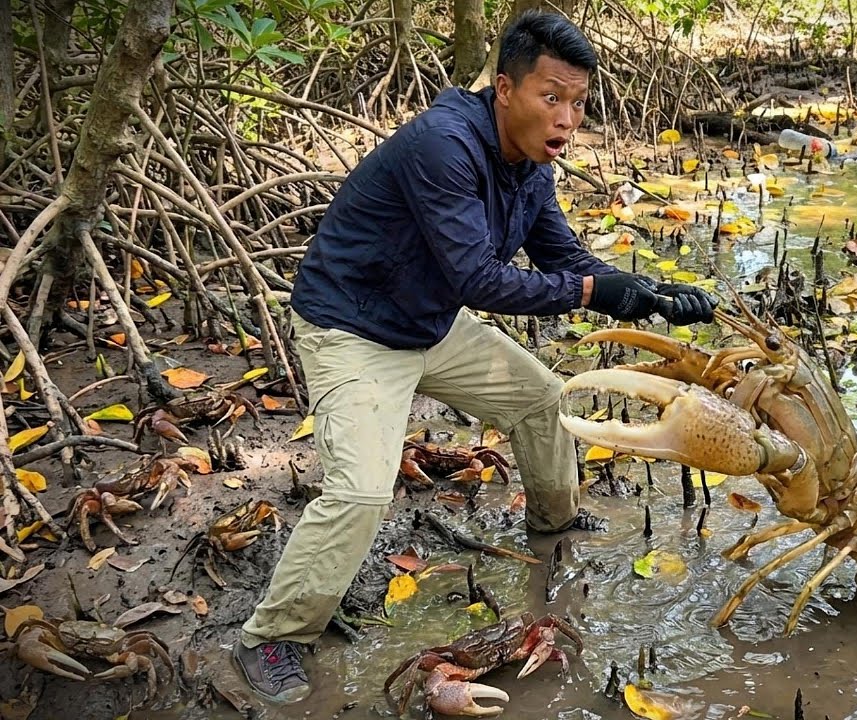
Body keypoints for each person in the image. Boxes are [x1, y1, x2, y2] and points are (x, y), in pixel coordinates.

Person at [232, 10, 717, 704]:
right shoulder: (444, 145)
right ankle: (272, 637)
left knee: (543, 397)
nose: (568, 117)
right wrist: (589, 291)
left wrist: (645, 294)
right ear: (505, 90)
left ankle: (554, 525)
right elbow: (478, 279)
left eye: (578, 102)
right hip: (352, 329)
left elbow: (562, 257)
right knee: (362, 492)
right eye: (552, 97)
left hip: (426, 322)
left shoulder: (531, 166)